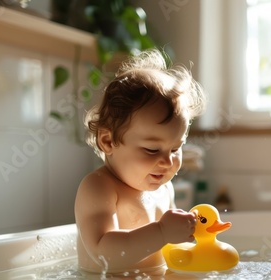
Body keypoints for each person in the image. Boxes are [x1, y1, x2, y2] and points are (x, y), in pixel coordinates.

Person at [74, 49, 207, 276]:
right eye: (152, 149)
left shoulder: (164, 189)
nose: (167, 161)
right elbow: (103, 254)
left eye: (175, 148)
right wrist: (163, 232)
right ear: (108, 141)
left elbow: (171, 249)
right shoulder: (98, 188)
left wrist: (191, 240)